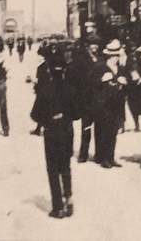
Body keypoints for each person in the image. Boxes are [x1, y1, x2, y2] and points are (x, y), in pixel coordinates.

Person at [31, 42, 78, 219]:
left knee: (52, 169)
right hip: (67, 130)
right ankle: (69, 199)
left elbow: (35, 115)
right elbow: (77, 113)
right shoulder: (71, 89)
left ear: (50, 70)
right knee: (65, 166)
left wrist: (48, 120)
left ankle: (57, 206)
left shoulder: (45, 90)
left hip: (51, 132)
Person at [94, 40, 127, 168]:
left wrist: (124, 83)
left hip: (117, 104)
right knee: (103, 131)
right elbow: (91, 85)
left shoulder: (121, 69)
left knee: (113, 131)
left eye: (118, 56)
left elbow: (125, 86)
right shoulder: (100, 67)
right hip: (103, 105)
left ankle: (111, 157)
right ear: (109, 56)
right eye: (114, 56)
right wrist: (101, 80)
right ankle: (103, 158)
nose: (116, 58)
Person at [70, 40, 99, 162]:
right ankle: (83, 154)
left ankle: (99, 154)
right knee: (86, 127)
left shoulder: (100, 57)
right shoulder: (81, 58)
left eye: (96, 44)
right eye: (93, 45)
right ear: (87, 46)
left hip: (98, 98)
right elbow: (77, 78)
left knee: (99, 128)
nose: (95, 47)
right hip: (86, 98)